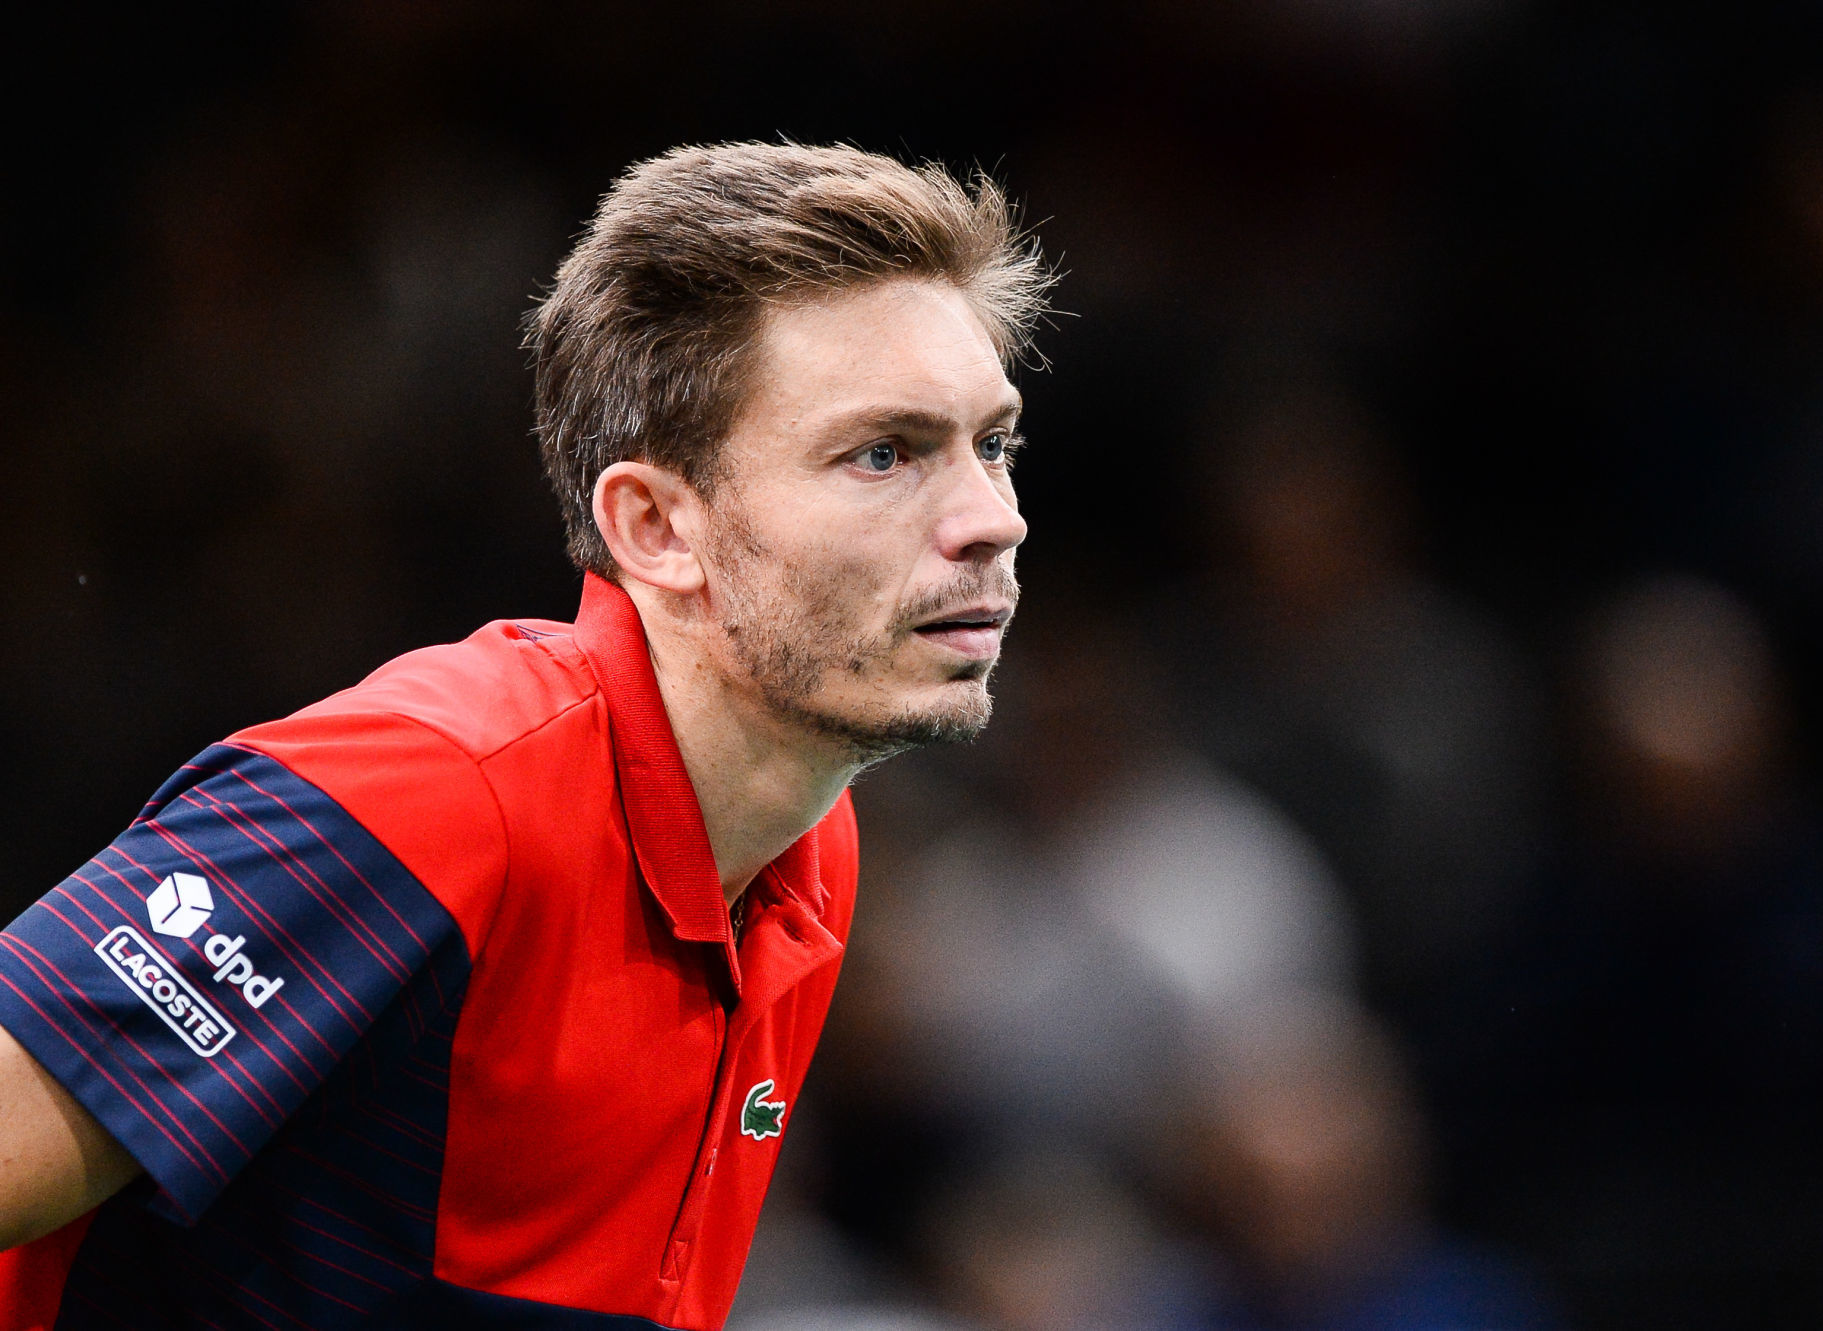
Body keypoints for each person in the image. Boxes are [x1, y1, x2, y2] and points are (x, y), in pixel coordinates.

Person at [0, 142, 1050, 1331]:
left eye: (993, 442)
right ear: (656, 525)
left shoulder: (805, 844)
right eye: (883, 453)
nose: (990, 517)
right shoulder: (428, 794)